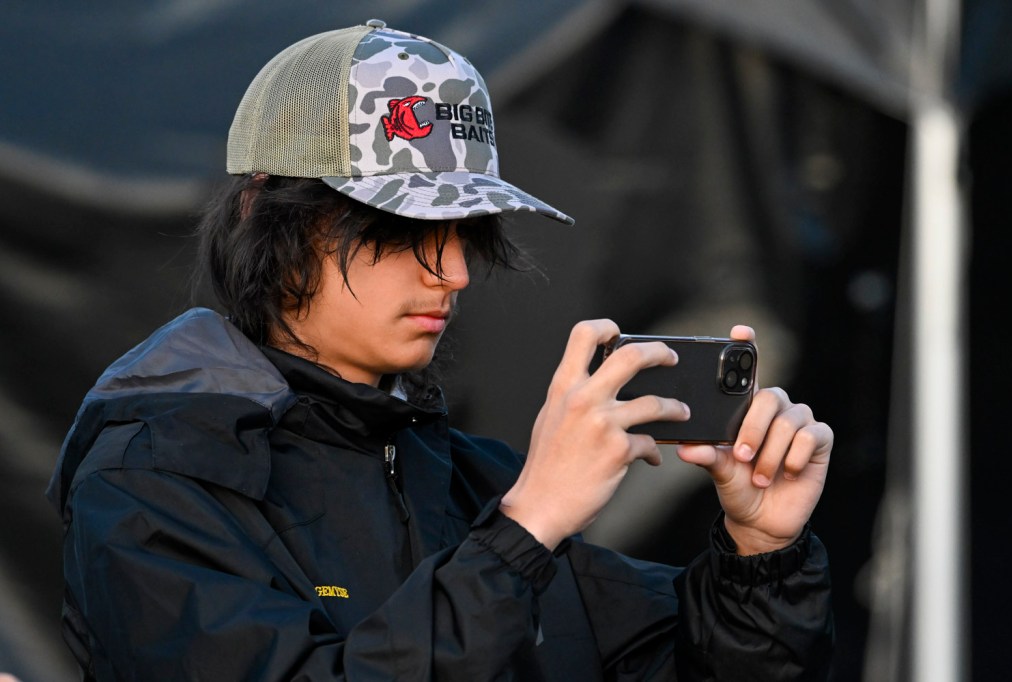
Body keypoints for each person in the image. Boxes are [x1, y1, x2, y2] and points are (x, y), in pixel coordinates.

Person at [47, 20, 834, 680]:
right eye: (401, 229)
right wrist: (526, 527)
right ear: (266, 214)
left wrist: (760, 555)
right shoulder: (150, 480)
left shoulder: (473, 482)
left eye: (465, 231)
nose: (452, 272)